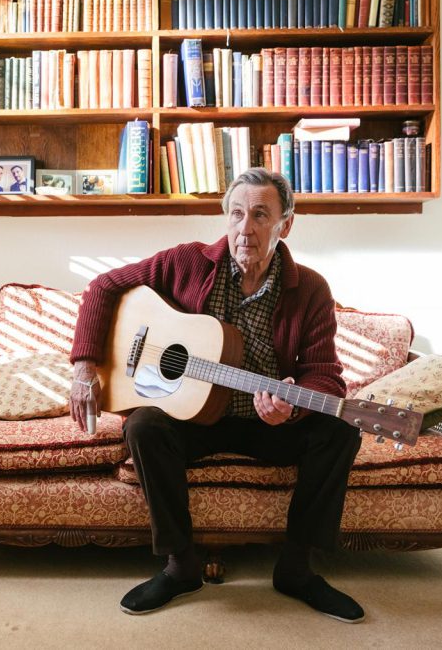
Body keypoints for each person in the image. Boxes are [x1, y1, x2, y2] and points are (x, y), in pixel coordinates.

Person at [69, 168, 364, 622]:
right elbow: (102, 287)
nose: (245, 228)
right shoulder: (186, 263)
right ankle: (179, 565)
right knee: (144, 425)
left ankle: (297, 569)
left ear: (285, 224)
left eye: (261, 215)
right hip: (195, 421)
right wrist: (84, 367)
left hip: (267, 426)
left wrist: (291, 403)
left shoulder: (311, 289)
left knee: (339, 430)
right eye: (237, 213)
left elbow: (325, 376)